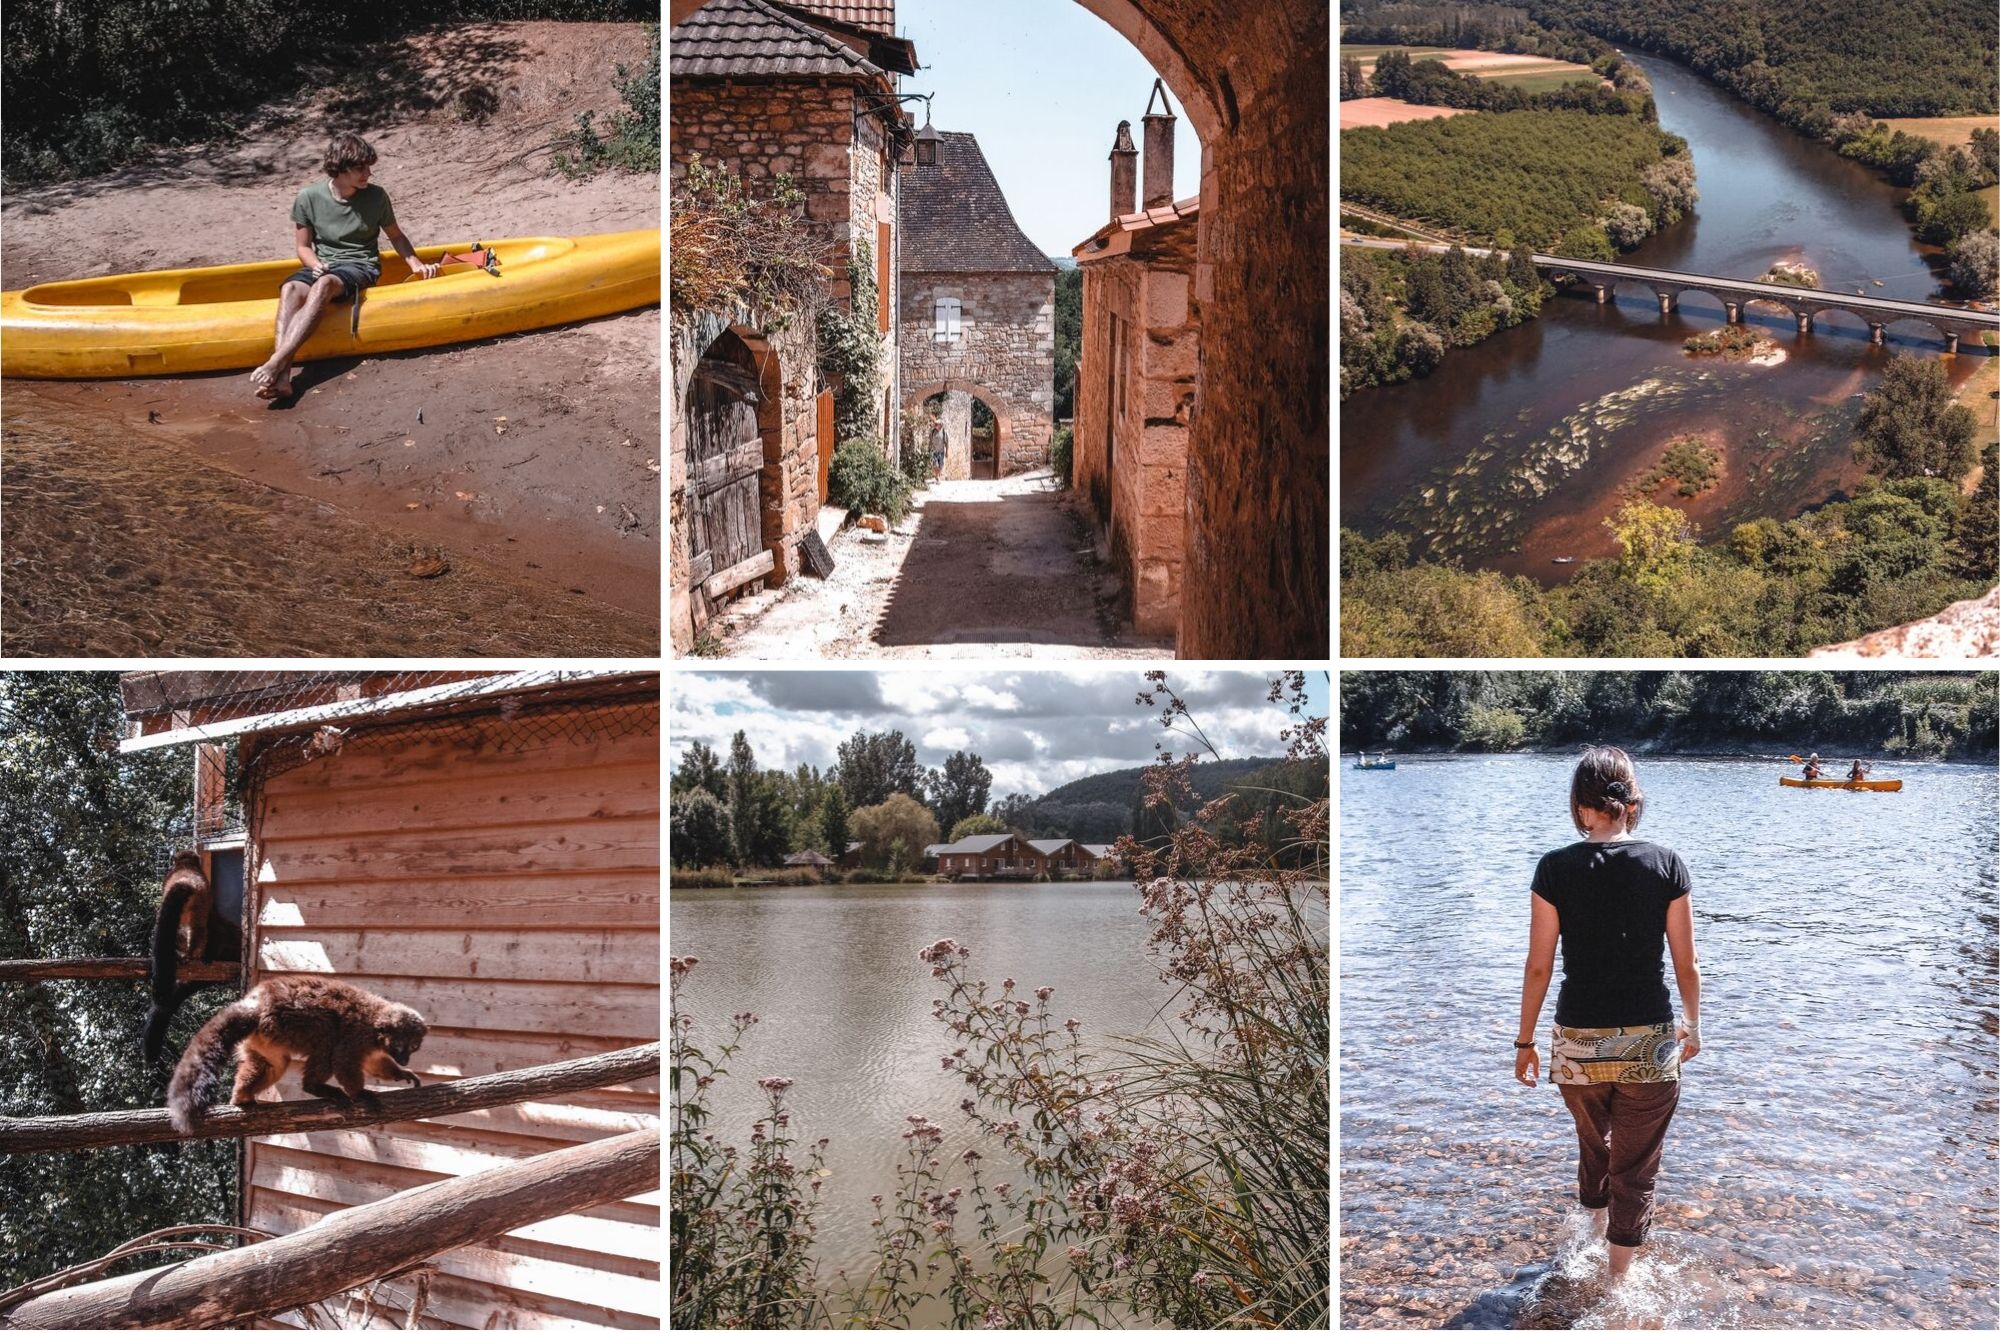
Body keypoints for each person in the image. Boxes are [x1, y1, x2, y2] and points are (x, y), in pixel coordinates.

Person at [1515, 746, 1701, 1283]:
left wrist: (1524, 1042)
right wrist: (1692, 1024)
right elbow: (1686, 964)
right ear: (1631, 803)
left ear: (1580, 806)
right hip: (1650, 1039)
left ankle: (1587, 1241)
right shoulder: (1666, 864)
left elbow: (1537, 968)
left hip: (1578, 1039)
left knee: (1595, 1143)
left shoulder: (1554, 868)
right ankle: (1618, 1284)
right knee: (1637, 1164)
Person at [250, 132, 439, 400]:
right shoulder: (308, 197)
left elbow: (395, 235)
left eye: (369, 167)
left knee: (325, 284)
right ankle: (282, 378)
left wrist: (415, 263)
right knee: (291, 288)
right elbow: (303, 248)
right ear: (340, 169)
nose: (368, 174)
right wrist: (315, 265)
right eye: (360, 168)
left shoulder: (377, 197)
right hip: (324, 264)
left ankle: (276, 360)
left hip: (361, 266)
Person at [928, 412, 948, 481]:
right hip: (934, 452)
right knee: (935, 465)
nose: (935, 425)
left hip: (941, 452)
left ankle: (937, 475)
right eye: (935, 424)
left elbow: (946, 443)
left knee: (941, 465)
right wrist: (929, 448)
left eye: (937, 424)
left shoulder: (944, 432)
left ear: (940, 425)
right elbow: (930, 441)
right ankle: (937, 476)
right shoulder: (932, 432)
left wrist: (947, 452)